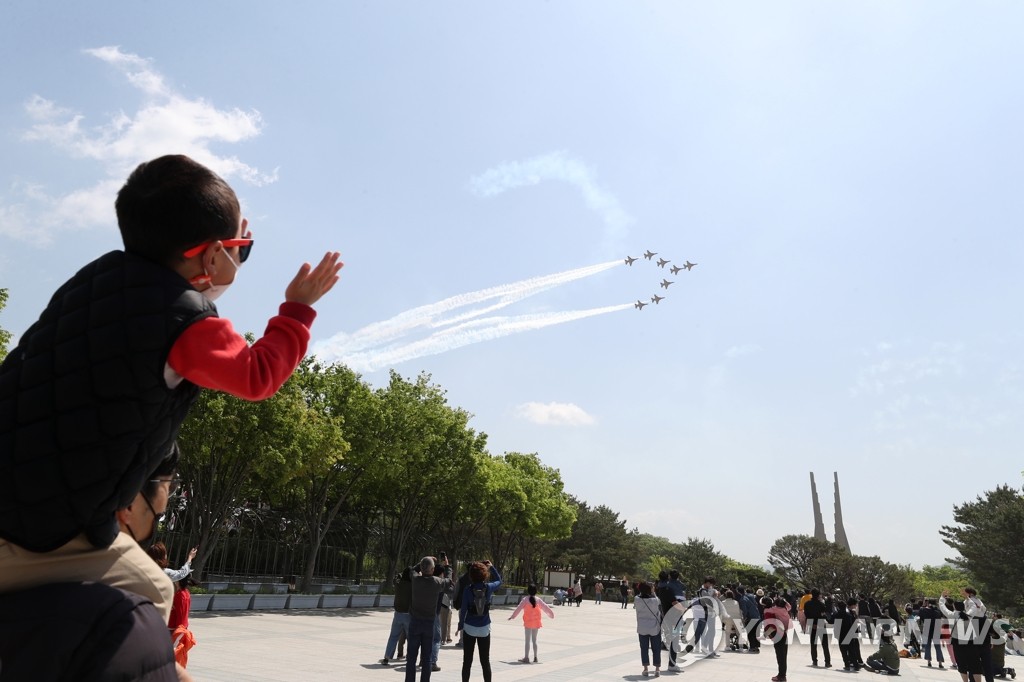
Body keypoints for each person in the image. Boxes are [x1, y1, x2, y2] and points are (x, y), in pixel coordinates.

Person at [0, 155, 343, 608]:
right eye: (242, 247)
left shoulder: (91, 279)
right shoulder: (189, 321)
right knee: (154, 592)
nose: (240, 258)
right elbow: (258, 376)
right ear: (213, 254)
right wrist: (298, 310)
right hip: (47, 522)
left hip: (19, 485)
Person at [406, 556, 453, 682]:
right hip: (429, 624)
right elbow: (449, 580)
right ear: (433, 569)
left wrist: (423, 559)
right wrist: (447, 566)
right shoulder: (437, 582)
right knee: (427, 658)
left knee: (411, 658)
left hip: (415, 622)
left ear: (421, 568)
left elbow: (412, 569)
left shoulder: (415, 579)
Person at [458, 560, 502, 682]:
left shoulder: (468, 590)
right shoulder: (488, 588)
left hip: (469, 627)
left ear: (471, 575)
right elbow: (499, 581)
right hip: (484, 628)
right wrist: (492, 568)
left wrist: (460, 625)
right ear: (485, 574)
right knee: (485, 661)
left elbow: (463, 609)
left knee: (467, 661)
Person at [507, 583, 555, 663]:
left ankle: (526, 658)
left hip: (528, 623)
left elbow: (518, 608)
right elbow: (546, 607)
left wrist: (512, 616)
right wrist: (551, 615)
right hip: (536, 623)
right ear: (536, 591)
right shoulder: (538, 600)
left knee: (527, 640)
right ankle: (535, 657)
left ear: (528, 591)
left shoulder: (525, 599)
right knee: (534, 640)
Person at [381, 565, 416, 666]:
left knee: (393, 636)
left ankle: (386, 657)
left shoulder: (398, 584)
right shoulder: (412, 586)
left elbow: (397, 577)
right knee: (411, 638)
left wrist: (402, 573)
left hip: (397, 614)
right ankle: (410, 657)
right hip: (408, 615)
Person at [635, 581, 663, 678]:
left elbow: (640, 595)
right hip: (654, 627)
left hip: (642, 627)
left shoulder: (637, 599)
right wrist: (653, 591)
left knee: (644, 648)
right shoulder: (655, 600)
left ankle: (645, 669)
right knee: (656, 649)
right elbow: (658, 606)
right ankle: (657, 669)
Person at [763, 596, 792, 682]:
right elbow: (789, 606)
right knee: (783, 656)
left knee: (780, 656)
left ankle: (781, 676)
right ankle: (782, 675)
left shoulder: (773, 610)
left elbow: (768, 614)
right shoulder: (786, 609)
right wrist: (785, 601)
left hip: (778, 634)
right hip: (784, 633)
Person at [803, 588, 832, 668]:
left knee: (813, 644)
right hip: (821, 624)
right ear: (819, 595)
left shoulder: (807, 604)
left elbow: (806, 615)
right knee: (825, 644)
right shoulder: (821, 604)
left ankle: (814, 661)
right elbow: (824, 615)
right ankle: (827, 662)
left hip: (811, 625)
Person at [838, 598, 866, 671]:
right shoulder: (848, 612)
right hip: (850, 632)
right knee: (853, 648)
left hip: (853, 632)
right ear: (852, 605)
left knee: (855, 647)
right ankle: (856, 662)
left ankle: (856, 661)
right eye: (855, 605)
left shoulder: (852, 612)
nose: (856, 606)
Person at [918, 598, 947, 669]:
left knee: (928, 646)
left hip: (927, 626)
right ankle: (940, 663)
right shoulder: (938, 610)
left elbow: (920, 617)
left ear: (927, 602)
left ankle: (929, 662)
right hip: (936, 627)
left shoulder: (923, 609)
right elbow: (940, 617)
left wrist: (924, 605)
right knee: (937, 646)